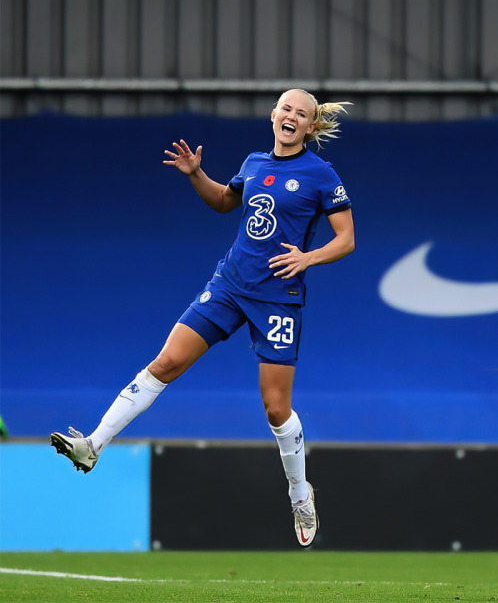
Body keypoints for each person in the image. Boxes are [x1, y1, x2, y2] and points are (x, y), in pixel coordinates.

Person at [51, 89, 355, 547]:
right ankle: (93, 445)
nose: (291, 116)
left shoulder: (320, 174)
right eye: (285, 109)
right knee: (167, 362)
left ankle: (299, 492)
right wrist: (197, 175)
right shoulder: (254, 162)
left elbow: (346, 238)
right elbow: (222, 202)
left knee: (276, 408)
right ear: (274, 116)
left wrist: (308, 258)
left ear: (311, 127)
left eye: (301, 114)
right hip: (230, 286)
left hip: (277, 297)